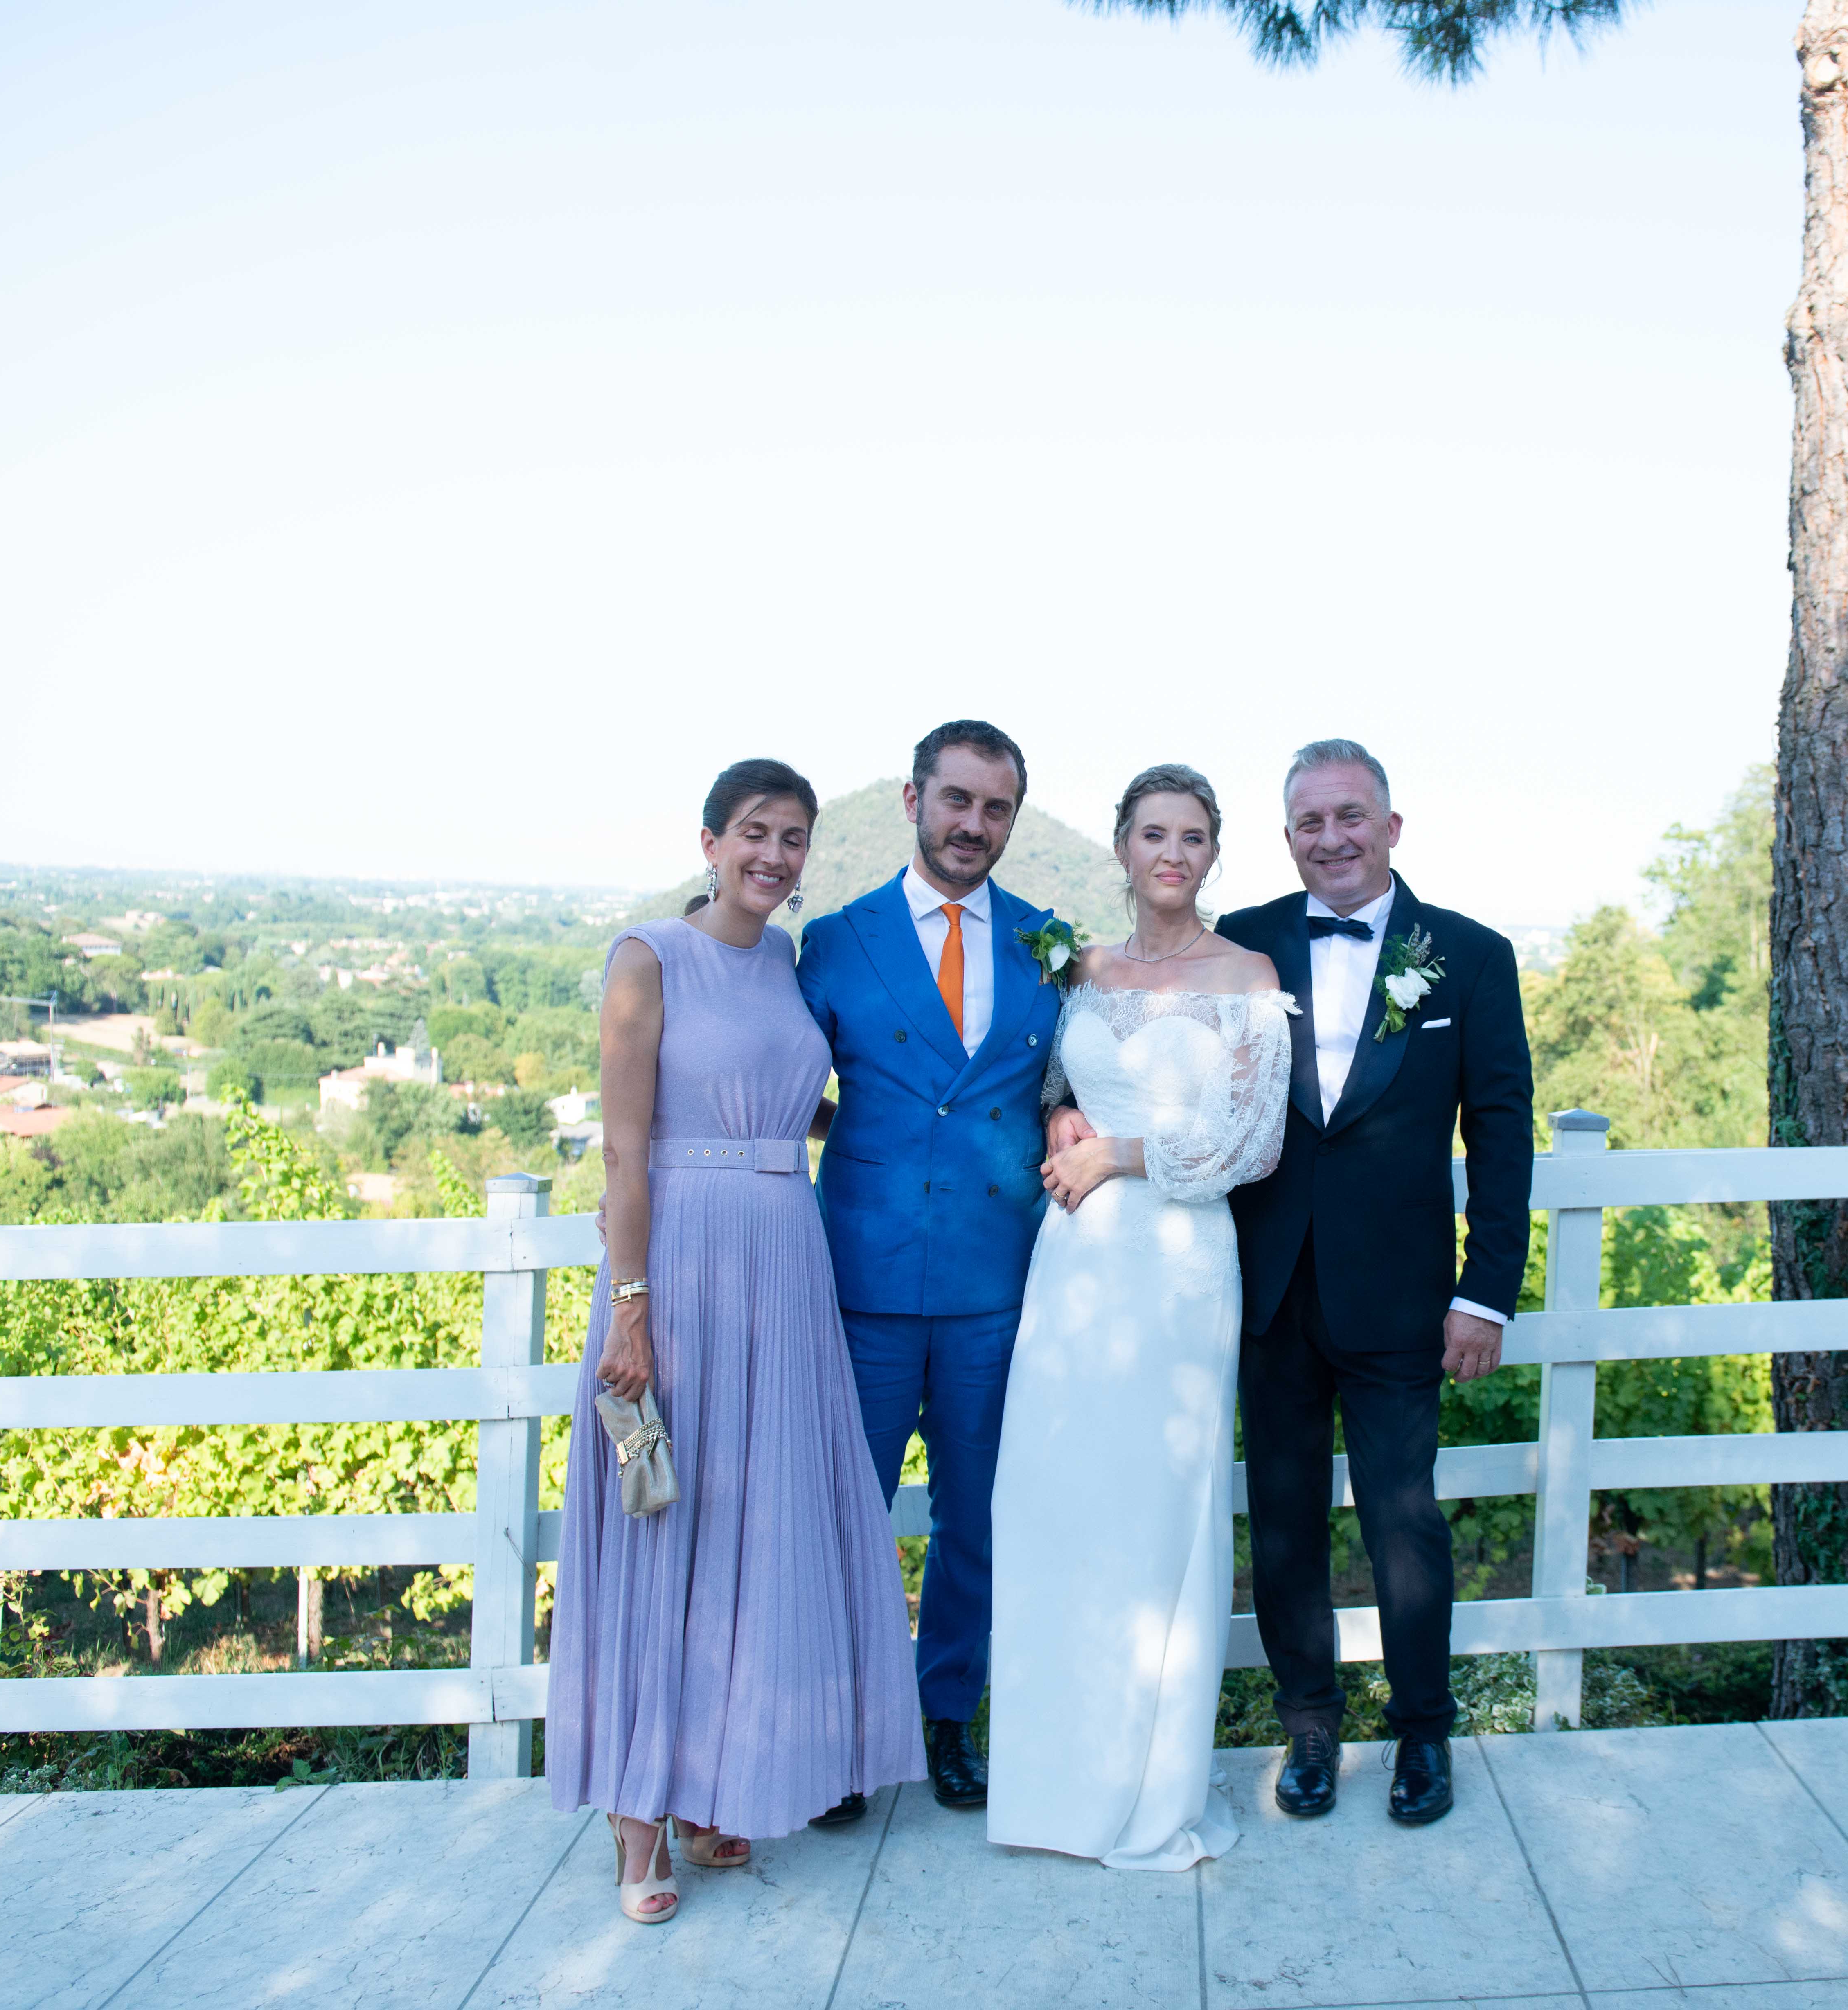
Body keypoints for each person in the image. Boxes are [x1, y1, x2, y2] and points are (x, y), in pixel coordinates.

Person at [548, 758, 924, 1924]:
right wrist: (632, 1308)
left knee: (753, 1530)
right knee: (664, 1529)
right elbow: (625, 1150)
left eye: (794, 837)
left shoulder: (787, 962)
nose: (774, 854)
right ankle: (636, 1819)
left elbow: (791, 1101)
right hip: (682, 1268)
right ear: (710, 842)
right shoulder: (649, 957)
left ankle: (716, 1782)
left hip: (784, 1267)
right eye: (755, 832)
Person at [1208, 739, 1533, 1826]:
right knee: (1284, 1522)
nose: (1332, 838)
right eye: (1310, 821)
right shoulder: (1243, 942)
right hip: (1269, 1290)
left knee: (1407, 1525)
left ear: (1391, 827)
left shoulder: (1472, 957)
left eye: (1351, 816)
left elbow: (1501, 1134)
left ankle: (1424, 1732)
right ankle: (1309, 1728)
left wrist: (1486, 1293)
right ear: (1287, 836)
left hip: (1403, 1298)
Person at [991, 764, 1291, 1870]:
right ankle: (1053, 1789)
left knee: (1158, 1511)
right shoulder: (1082, 970)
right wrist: (1060, 1117)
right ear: (1121, 846)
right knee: (1059, 1501)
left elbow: (1251, 1143)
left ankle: (1149, 1789)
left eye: (1193, 836)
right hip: (1074, 1267)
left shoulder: (1247, 976)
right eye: (1154, 833)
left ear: (1214, 854)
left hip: (1178, 1268)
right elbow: (1046, 1082)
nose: (1173, 853)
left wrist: (1116, 1153)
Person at [794, 720, 1065, 1817]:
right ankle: (841, 1738)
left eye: (996, 809)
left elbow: (1073, 1079)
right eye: (957, 800)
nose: (974, 825)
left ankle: (947, 1722)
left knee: (976, 1521)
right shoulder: (835, 939)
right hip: (860, 1276)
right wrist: (853, 1140)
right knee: (843, 1515)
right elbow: (779, 1077)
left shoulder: (1050, 943)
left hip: (995, 1283)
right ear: (913, 800)